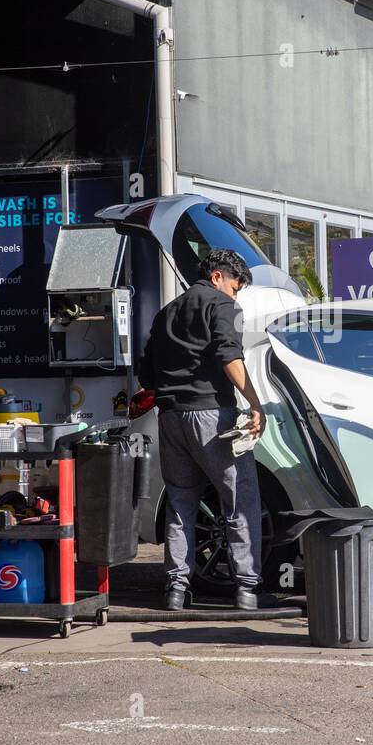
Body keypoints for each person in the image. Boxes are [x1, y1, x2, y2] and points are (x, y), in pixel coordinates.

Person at [136, 249, 268, 611]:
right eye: (235, 287)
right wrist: (255, 403)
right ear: (217, 278)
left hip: (171, 418)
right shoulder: (221, 305)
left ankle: (176, 590)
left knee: (180, 501)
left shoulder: (166, 313)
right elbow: (229, 354)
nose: (235, 295)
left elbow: (145, 374)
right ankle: (246, 589)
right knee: (239, 498)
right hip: (212, 415)